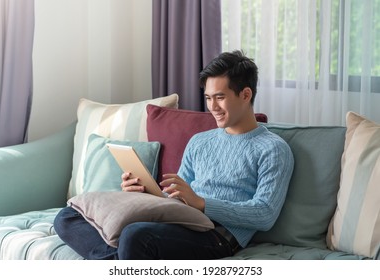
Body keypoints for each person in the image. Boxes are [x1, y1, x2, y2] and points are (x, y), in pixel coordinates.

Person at [54, 50, 294, 260]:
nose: (213, 107)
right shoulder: (200, 141)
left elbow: (264, 214)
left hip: (217, 235)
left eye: (220, 97)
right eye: (209, 98)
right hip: (178, 221)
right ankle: (123, 260)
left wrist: (202, 204)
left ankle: (124, 258)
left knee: (136, 236)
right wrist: (148, 192)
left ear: (245, 94)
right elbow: (176, 197)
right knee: (69, 216)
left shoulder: (273, 149)